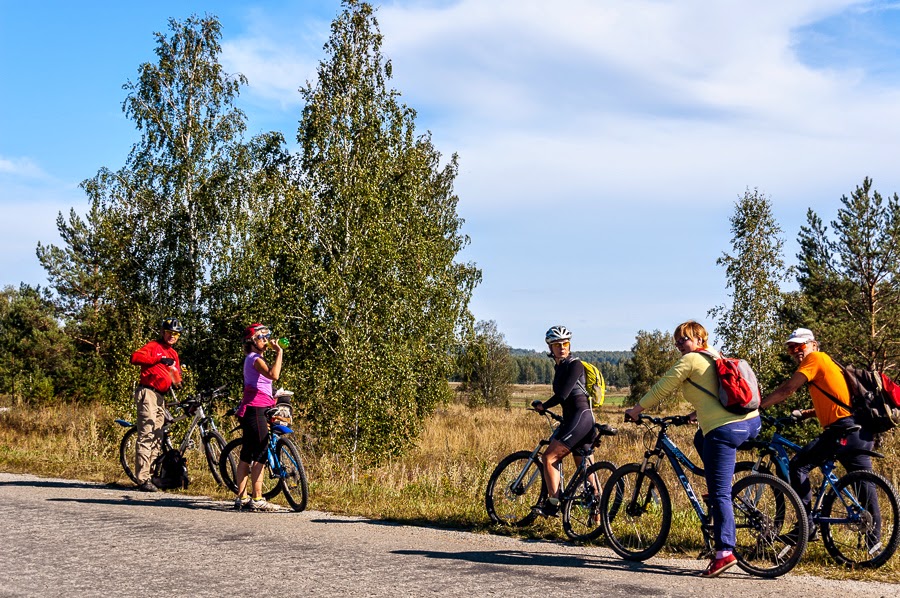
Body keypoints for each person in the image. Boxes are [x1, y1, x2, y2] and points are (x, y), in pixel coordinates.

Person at [623, 320, 761, 578]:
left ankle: (724, 553)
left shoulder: (690, 360)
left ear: (699, 339)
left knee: (720, 494)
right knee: (701, 439)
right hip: (751, 421)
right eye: (676, 341)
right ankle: (717, 486)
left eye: (683, 339)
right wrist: (694, 414)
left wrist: (636, 410)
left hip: (725, 429)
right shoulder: (715, 356)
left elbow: (662, 388)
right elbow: (718, 393)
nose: (679, 345)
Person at [759, 328, 878, 539]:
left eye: (800, 346)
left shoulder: (814, 358)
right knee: (864, 483)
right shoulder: (830, 363)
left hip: (842, 430)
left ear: (813, 344)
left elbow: (788, 389)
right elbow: (840, 402)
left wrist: (759, 406)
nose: (796, 351)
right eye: (791, 348)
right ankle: (875, 543)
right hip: (860, 430)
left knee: (798, 465)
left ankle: (806, 527)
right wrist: (805, 414)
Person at [530, 326, 596, 518]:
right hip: (576, 420)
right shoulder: (559, 367)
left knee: (548, 458)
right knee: (585, 469)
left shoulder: (575, 364)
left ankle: (553, 503)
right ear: (550, 347)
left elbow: (563, 394)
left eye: (565, 344)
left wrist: (544, 406)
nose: (562, 348)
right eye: (557, 345)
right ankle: (598, 515)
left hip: (580, 418)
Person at [233, 323, 284, 512]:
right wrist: (279, 352)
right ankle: (257, 497)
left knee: (247, 453)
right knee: (261, 452)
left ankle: (241, 497)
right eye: (261, 337)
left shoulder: (252, 358)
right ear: (252, 342)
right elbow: (274, 374)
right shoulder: (254, 359)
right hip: (256, 409)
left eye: (267, 336)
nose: (265, 340)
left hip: (253, 406)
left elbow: (263, 382)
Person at [129, 317, 184, 492]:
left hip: (162, 396)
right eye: (169, 332)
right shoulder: (154, 347)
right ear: (163, 332)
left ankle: (152, 475)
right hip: (148, 393)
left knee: (157, 435)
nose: (172, 336)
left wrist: (178, 383)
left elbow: (175, 374)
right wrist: (157, 360)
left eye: (175, 334)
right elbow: (135, 358)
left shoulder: (173, 353)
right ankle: (142, 478)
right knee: (147, 432)